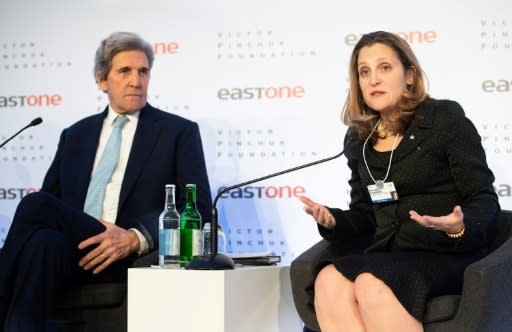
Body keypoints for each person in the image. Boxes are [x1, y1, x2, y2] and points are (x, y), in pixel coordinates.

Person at [0, 31, 212, 331]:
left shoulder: (177, 132)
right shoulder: (75, 135)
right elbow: (52, 207)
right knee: (43, 239)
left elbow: (199, 206)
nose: (136, 81)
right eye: (124, 71)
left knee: (36, 206)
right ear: (102, 80)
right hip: (74, 247)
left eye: (143, 71)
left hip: (125, 254)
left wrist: (135, 238)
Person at [299, 31, 499, 332]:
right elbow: (367, 216)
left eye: (384, 68)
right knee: (328, 279)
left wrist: (459, 225)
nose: (373, 79)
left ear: (409, 75)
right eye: (364, 71)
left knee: (371, 283)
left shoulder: (444, 119)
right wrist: (333, 221)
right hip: (390, 255)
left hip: (446, 253)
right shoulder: (359, 139)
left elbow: (483, 198)